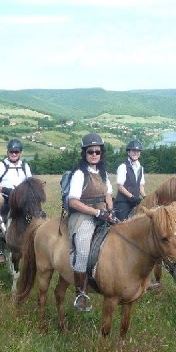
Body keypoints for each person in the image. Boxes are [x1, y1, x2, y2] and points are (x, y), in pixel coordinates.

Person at [67, 132, 117, 312]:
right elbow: (73, 201)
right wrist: (96, 212)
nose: (94, 154)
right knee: (83, 251)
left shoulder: (103, 174)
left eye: (97, 151)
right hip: (84, 215)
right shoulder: (80, 174)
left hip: (104, 213)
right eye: (90, 152)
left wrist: (110, 211)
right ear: (84, 153)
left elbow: (108, 195)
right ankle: (81, 293)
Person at [0, 138, 33, 266]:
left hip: (22, 201)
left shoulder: (25, 166)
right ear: (7, 152)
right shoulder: (0, 166)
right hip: (5, 200)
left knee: (37, 217)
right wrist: (7, 190)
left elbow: (30, 183)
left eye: (16, 152)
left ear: (20, 153)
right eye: (12, 151)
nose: (14, 154)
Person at [113, 139, 146, 221]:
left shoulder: (140, 168)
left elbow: (140, 186)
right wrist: (132, 197)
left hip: (135, 202)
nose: (135, 153)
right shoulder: (123, 167)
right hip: (123, 202)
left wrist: (145, 197)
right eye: (133, 151)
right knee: (120, 223)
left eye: (137, 151)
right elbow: (120, 187)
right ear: (129, 152)